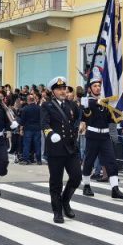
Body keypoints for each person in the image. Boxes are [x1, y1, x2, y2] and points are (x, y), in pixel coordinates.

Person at [41, 77, 82, 223]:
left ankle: (65, 201)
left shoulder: (72, 105)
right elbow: (44, 124)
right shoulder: (47, 106)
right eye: (59, 89)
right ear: (53, 91)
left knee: (77, 177)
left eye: (64, 88)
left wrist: (82, 122)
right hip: (56, 149)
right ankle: (57, 210)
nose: (62, 91)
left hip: (70, 148)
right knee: (56, 182)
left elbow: (79, 118)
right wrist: (51, 134)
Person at [80, 78, 123, 199]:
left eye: (99, 86)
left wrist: (120, 115)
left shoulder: (106, 103)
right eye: (95, 86)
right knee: (89, 161)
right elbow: (86, 116)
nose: (97, 88)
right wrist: (85, 108)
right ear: (90, 89)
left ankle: (115, 188)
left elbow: (111, 120)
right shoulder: (88, 102)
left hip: (105, 136)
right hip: (93, 136)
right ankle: (86, 185)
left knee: (111, 161)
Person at [19, 93, 43, 164]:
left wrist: (21, 129)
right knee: (38, 145)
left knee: (26, 145)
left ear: (27, 100)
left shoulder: (25, 109)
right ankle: (39, 160)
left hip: (28, 129)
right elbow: (41, 118)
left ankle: (25, 160)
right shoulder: (39, 108)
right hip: (37, 129)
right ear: (34, 100)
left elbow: (22, 121)